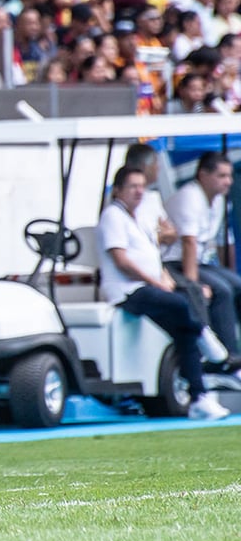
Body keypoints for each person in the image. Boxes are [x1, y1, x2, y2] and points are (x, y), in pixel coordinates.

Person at [97, 166, 230, 421]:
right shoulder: (113, 216)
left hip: (146, 285)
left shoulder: (138, 216)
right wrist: (155, 283)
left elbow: (156, 250)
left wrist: (161, 277)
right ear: (117, 190)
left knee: (184, 333)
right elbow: (122, 261)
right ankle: (208, 339)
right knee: (180, 305)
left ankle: (199, 397)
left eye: (141, 186)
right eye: (132, 187)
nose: (139, 191)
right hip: (127, 291)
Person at [164, 151, 241, 358]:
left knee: (236, 285)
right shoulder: (189, 198)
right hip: (176, 263)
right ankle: (228, 358)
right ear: (203, 175)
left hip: (198, 262)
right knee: (222, 291)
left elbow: (225, 243)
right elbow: (189, 243)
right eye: (222, 176)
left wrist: (228, 273)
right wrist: (194, 286)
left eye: (229, 176)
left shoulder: (219, 201)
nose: (228, 182)